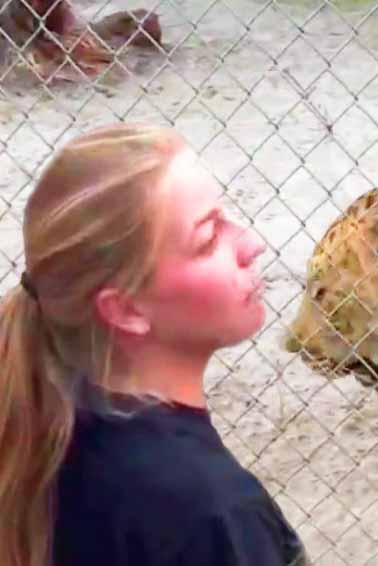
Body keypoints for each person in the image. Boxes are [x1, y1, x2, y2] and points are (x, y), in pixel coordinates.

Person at [0, 123, 307, 566]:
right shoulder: (207, 516)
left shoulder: (43, 437)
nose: (250, 244)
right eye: (208, 238)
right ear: (126, 309)